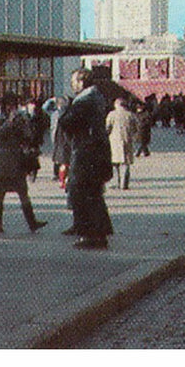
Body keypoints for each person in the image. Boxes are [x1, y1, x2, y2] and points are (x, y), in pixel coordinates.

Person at [55, 67, 112, 249]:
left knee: (81, 193)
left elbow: (67, 123)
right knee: (93, 194)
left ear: (81, 82)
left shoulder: (84, 102)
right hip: (96, 152)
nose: (72, 85)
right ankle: (99, 234)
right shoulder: (96, 98)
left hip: (85, 153)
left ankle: (88, 235)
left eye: (73, 81)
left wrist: (63, 109)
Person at [0, 94, 47, 235]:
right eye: (9, 105)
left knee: (23, 192)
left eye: (14, 105)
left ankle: (32, 222)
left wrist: (25, 123)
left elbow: (28, 136)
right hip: (0, 160)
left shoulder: (20, 118)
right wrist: (10, 122)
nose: (12, 108)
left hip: (16, 160)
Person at [105, 95, 140, 190]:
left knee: (115, 163)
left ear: (117, 105)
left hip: (114, 141)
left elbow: (107, 128)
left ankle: (117, 182)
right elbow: (136, 127)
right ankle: (124, 183)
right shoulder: (130, 115)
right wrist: (133, 135)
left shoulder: (112, 115)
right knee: (125, 163)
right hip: (127, 140)